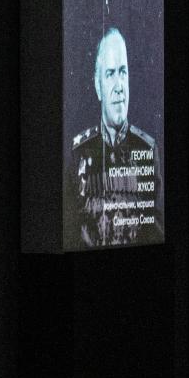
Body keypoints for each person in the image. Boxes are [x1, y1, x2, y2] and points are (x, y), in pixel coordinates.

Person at [67, 27, 162, 248]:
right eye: (110, 74)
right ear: (98, 86)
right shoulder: (78, 154)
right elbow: (70, 236)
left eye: (123, 72)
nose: (119, 86)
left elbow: (156, 235)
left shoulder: (147, 150)